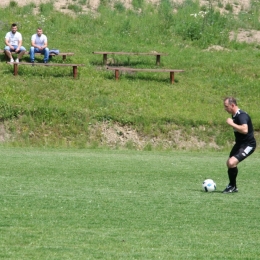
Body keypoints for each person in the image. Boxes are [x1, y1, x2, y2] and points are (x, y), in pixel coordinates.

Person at [222, 97, 256, 193]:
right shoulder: (235, 115)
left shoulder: (241, 116)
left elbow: (245, 130)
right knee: (230, 163)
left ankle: (232, 186)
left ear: (232, 105)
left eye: (226, 106)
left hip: (248, 144)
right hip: (240, 144)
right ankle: (233, 186)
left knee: (232, 162)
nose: (225, 109)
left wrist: (231, 124)